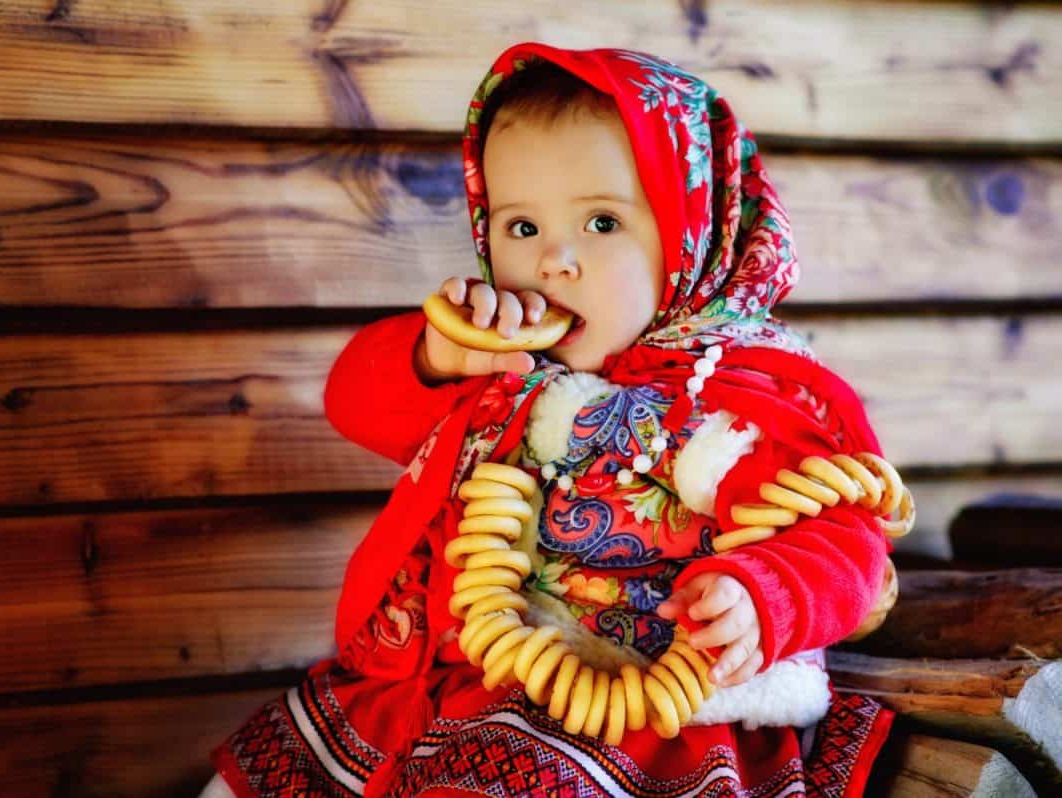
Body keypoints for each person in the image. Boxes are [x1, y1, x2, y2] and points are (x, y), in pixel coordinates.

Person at [204, 41, 896, 797]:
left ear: (695, 234)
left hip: (638, 714)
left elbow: (843, 535)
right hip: (443, 685)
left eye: (602, 223)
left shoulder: (744, 397)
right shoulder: (503, 368)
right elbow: (353, 406)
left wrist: (766, 598)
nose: (553, 261)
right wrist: (438, 357)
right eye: (521, 228)